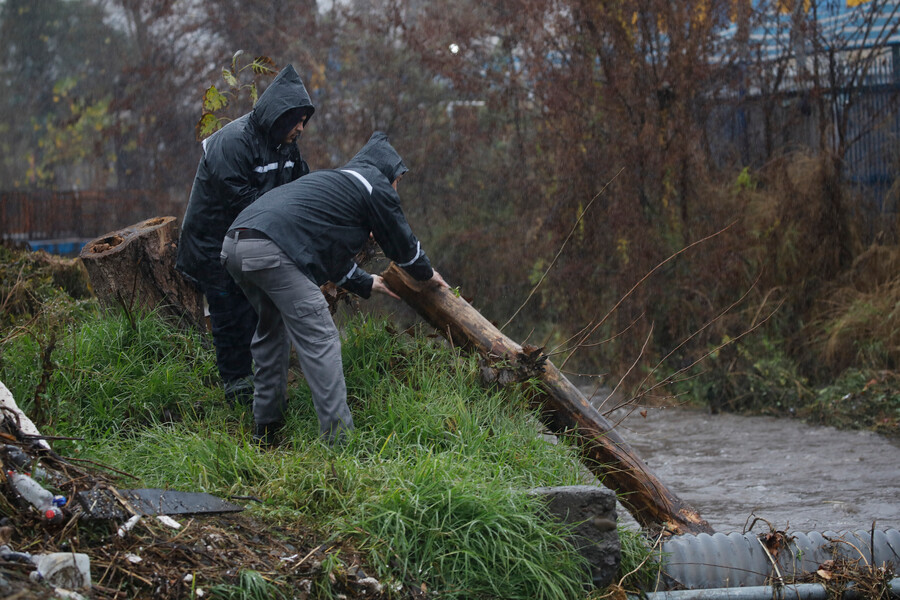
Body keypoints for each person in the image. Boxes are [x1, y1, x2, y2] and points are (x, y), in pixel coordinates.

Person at [221, 131, 447, 446]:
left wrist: (370, 282)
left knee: (272, 330)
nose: (396, 189)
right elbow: (401, 242)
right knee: (321, 337)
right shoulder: (372, 183)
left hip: (236, 244)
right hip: (270, 247)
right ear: (386, 172)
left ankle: (267, 431)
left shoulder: (333, 187)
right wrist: (425, 273)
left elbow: (330, 256)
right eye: (397, 181)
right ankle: (340, 443)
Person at [177, 64, 315, 406]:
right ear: (279, 114)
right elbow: (244, 203)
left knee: (255, 310)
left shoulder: (286, 146)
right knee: (228, 311)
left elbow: (302, 189)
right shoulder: (232, 142)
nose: (301, 127)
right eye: (297, 118)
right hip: (212, 241)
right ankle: (235, 385)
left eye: (304, 120)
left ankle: (259, 381)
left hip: (251, 239)